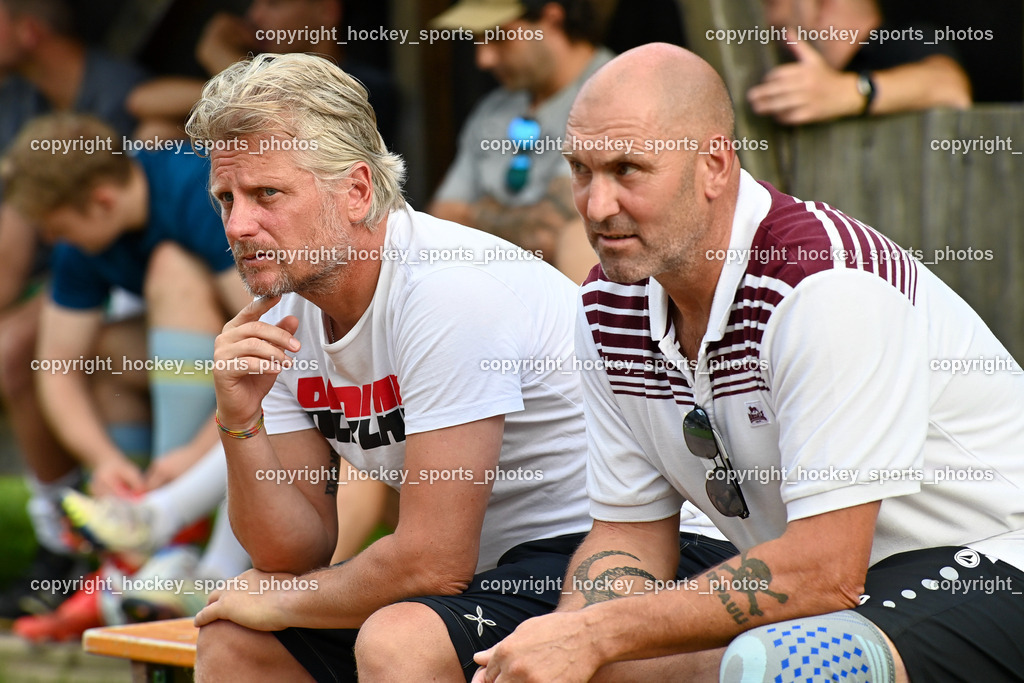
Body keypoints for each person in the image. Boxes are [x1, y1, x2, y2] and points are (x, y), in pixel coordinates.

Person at [474, 43, 1024, 682]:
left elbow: (823, 571)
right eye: (581, 170)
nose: (596, 207)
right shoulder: (606, 305)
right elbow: (630, 535)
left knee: (787, 666)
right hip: (839, 592)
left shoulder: (826, 286)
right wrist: (576, 641)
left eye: (628, 170)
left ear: (713, 164)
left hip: (993, 565)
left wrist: (598, 632)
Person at [183, 52, 736, 681]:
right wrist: (239, 418)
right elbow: (292, 550)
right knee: (234, 638)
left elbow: (430, 562)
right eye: (225, 197)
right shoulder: (284, 313)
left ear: (358, 191)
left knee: (401, 642)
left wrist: (284, 597)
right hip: (497, 577)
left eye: (267, 194)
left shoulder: (446, 291)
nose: (239, 224)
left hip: (639, 555)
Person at [0, 113, 253, 635]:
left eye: (58, 227)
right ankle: (131, 550)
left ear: (102, 201)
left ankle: (168, 534)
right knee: (110, 354)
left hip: (266, 364)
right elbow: (58, 366)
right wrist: (104, 459)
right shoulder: (85, 238)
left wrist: (193, 453)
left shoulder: (197, 193)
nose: (53, 239)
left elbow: (276, 339)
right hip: (213, 365)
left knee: (171, 270)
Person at [0, 0, 148, 619]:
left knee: (18, 351)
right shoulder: (17, 100)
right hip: (73, 270)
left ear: (29, 29)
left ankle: (82, 544)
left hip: (123, 269)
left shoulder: (121, 94)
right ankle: (79, 537)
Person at [428, 0, 612, 283]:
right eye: (478, 39)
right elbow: (441, 220)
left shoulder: (616, 92)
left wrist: (477, 215)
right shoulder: (492, 107)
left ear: (551, 20)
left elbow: (552, 234)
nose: (484, 59)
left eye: (498, 36)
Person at [128, 0, 398, 147]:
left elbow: (290, 116)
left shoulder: (364, 86)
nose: (255, 15)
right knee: (157, 132)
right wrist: (229, 87)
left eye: (274, 4)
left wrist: (222, 60)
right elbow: (141, 101)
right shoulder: (253, 71)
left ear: (327, 10)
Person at [747, 0, 971, 124]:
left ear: (823, 5)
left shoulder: (901, 42)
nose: (767, 21)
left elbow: (950, 87)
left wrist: (847, 92)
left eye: (772, 3)